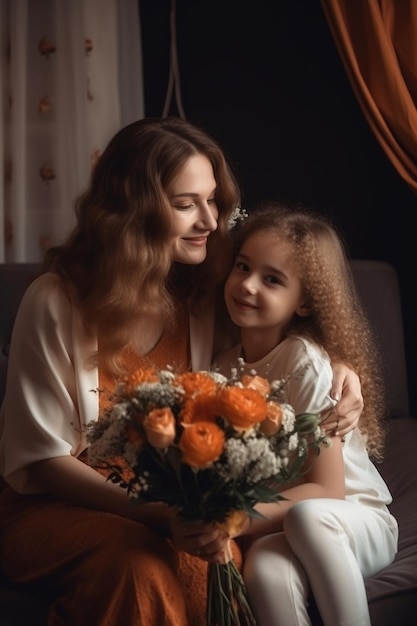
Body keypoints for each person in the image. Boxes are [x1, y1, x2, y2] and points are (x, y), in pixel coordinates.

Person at [0, 117, 362, 626]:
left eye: (212, 200)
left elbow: (287, 323)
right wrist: (153, 515)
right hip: (55, 506)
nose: (211, 222)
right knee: (138, 571)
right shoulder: (56, 301)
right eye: (186, 204)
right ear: (133, 210)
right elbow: (41, 462)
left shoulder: (200, 293)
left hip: (174, 507)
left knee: (215, 568)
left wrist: (342, 367)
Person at [214, 202, 399, 626]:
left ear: (303, 303)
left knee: (305, 518)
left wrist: (235, 517)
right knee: (263, 567)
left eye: (272, 279)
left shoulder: (304, 362)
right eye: (242, 267)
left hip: (353, 518)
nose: (247, 285)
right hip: (286, 525)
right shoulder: (223, 368)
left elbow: (328, 490)